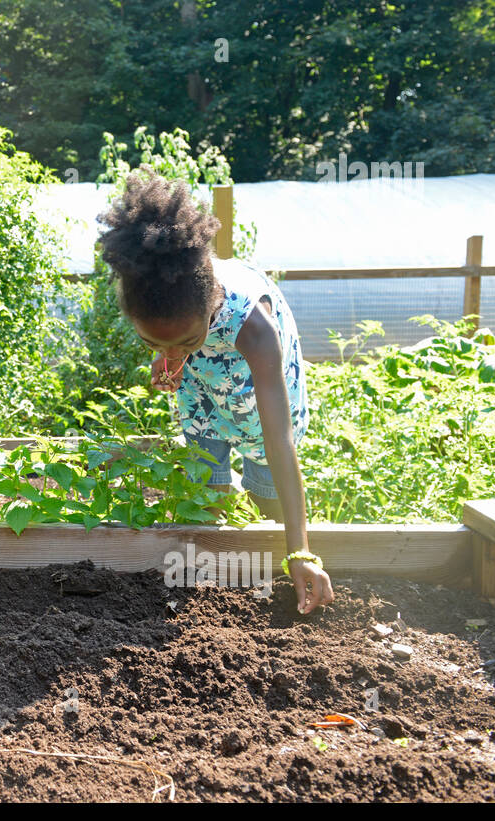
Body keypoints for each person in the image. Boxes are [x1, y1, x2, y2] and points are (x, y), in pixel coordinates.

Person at [98, 169, 334, 613]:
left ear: (211, 311)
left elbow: (279, 443)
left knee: (267, 492)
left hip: (256, 384)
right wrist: (173, 357)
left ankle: (287, 573)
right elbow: (172, 338)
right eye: (152, 342)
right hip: (204, 389)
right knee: (205, 486)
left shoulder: (255, 328)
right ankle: (208, 593)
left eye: (185, 342)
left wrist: (301, 551)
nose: (168, 353)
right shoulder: (164, 306)